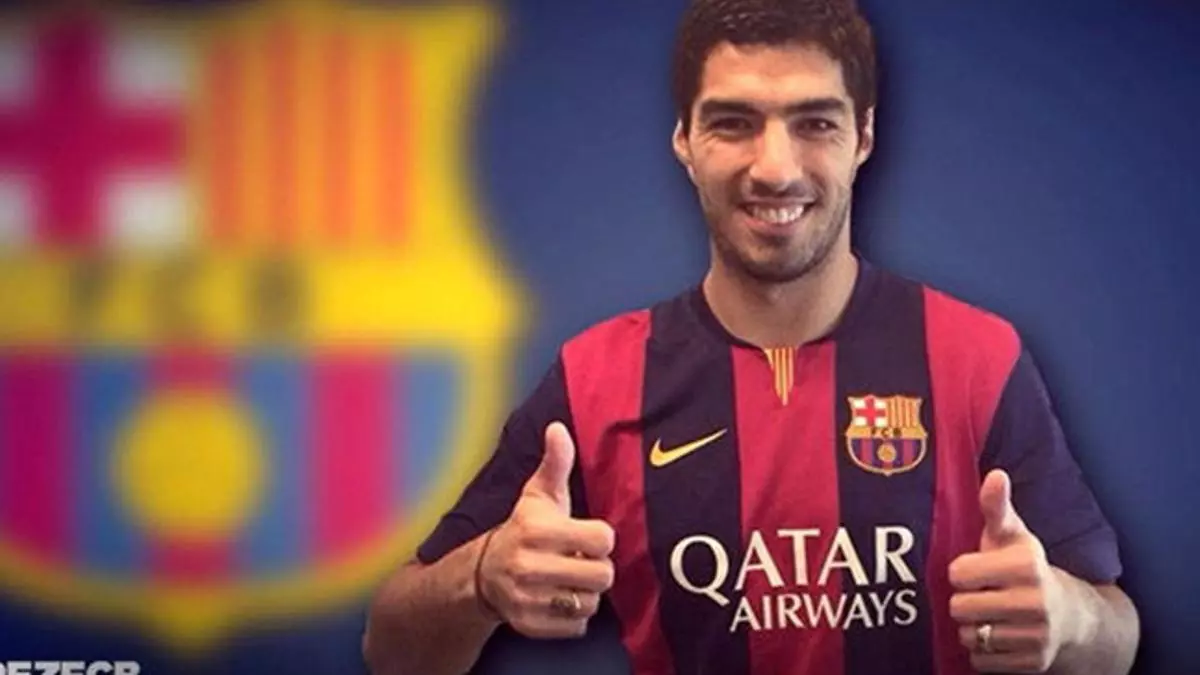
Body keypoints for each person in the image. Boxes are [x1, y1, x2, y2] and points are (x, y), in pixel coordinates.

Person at [361, 0, 1141, 673]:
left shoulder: (976, 357)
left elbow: (1118, 636)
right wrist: (483, 578)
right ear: (684, 141)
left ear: (864, 136)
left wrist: (1068, 617)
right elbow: (392, 647)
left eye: (815, 123)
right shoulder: (596, 377)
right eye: (734, 123)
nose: (775, 168)